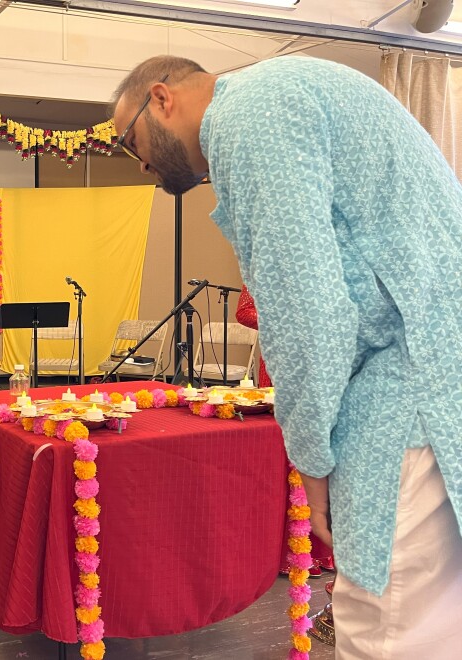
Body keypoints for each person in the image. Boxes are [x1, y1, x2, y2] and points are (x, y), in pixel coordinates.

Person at [111, 55, 462, 657]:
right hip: (432, 369)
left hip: (409, 387)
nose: (140, 162)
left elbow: (307, 306)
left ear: (162, 99)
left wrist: (311, 459)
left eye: (129, 141)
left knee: (389, 626)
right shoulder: (283, 90)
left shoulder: (250, 114)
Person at [236, 283, 335, 577]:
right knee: (288, 454)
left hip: (324, 362)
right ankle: (290, 550)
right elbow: (244, 312)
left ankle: (324, 548)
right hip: (283, 361)